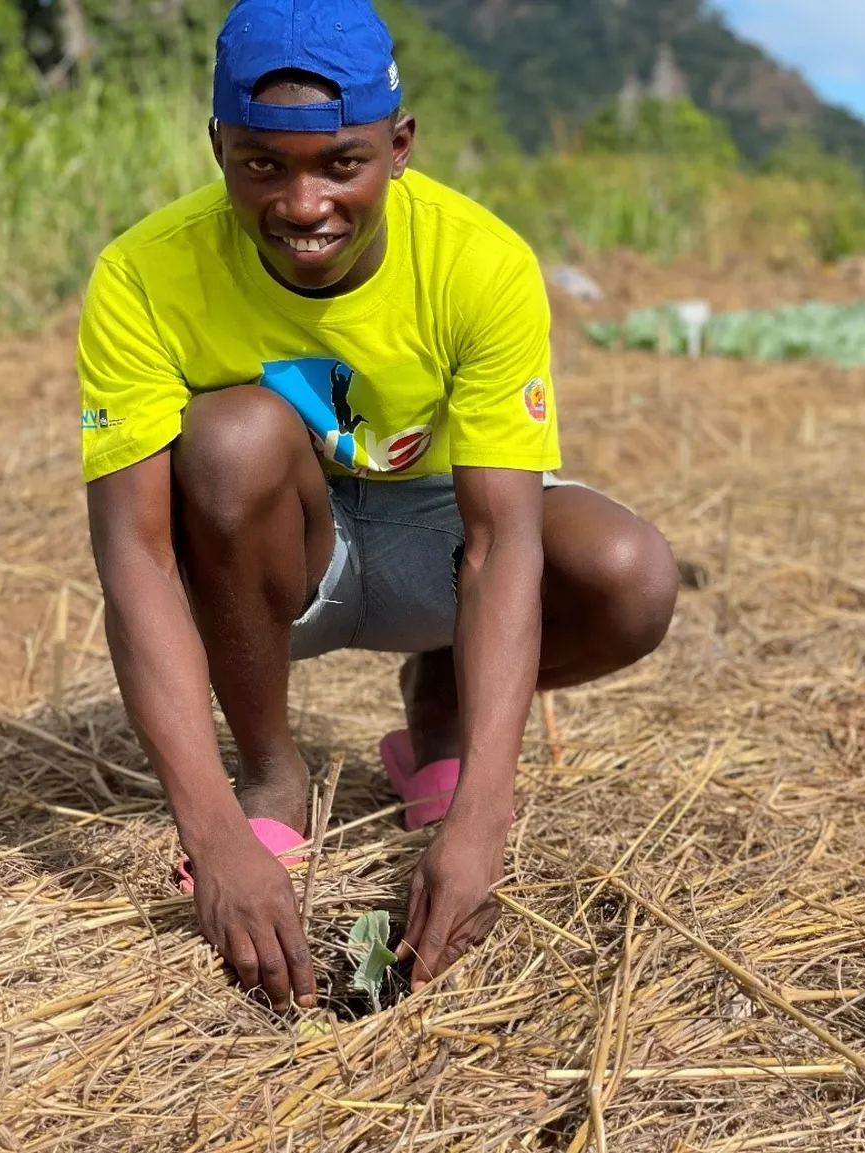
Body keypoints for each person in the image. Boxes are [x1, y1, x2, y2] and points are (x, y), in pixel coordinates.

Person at [77, 0, 679, 1012]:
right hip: (269, 556)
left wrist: (482, 821)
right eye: (260, 164)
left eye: (340, 164)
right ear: (217, 146)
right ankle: (272, 774)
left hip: (431, 531)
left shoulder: (478, 262)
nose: (302, 203)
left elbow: (500, 540)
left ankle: (437, 709)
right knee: (231, 441)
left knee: (631, 578)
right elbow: (133, 557)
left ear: (399, 149)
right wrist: (214, 831)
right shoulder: (144, 274)